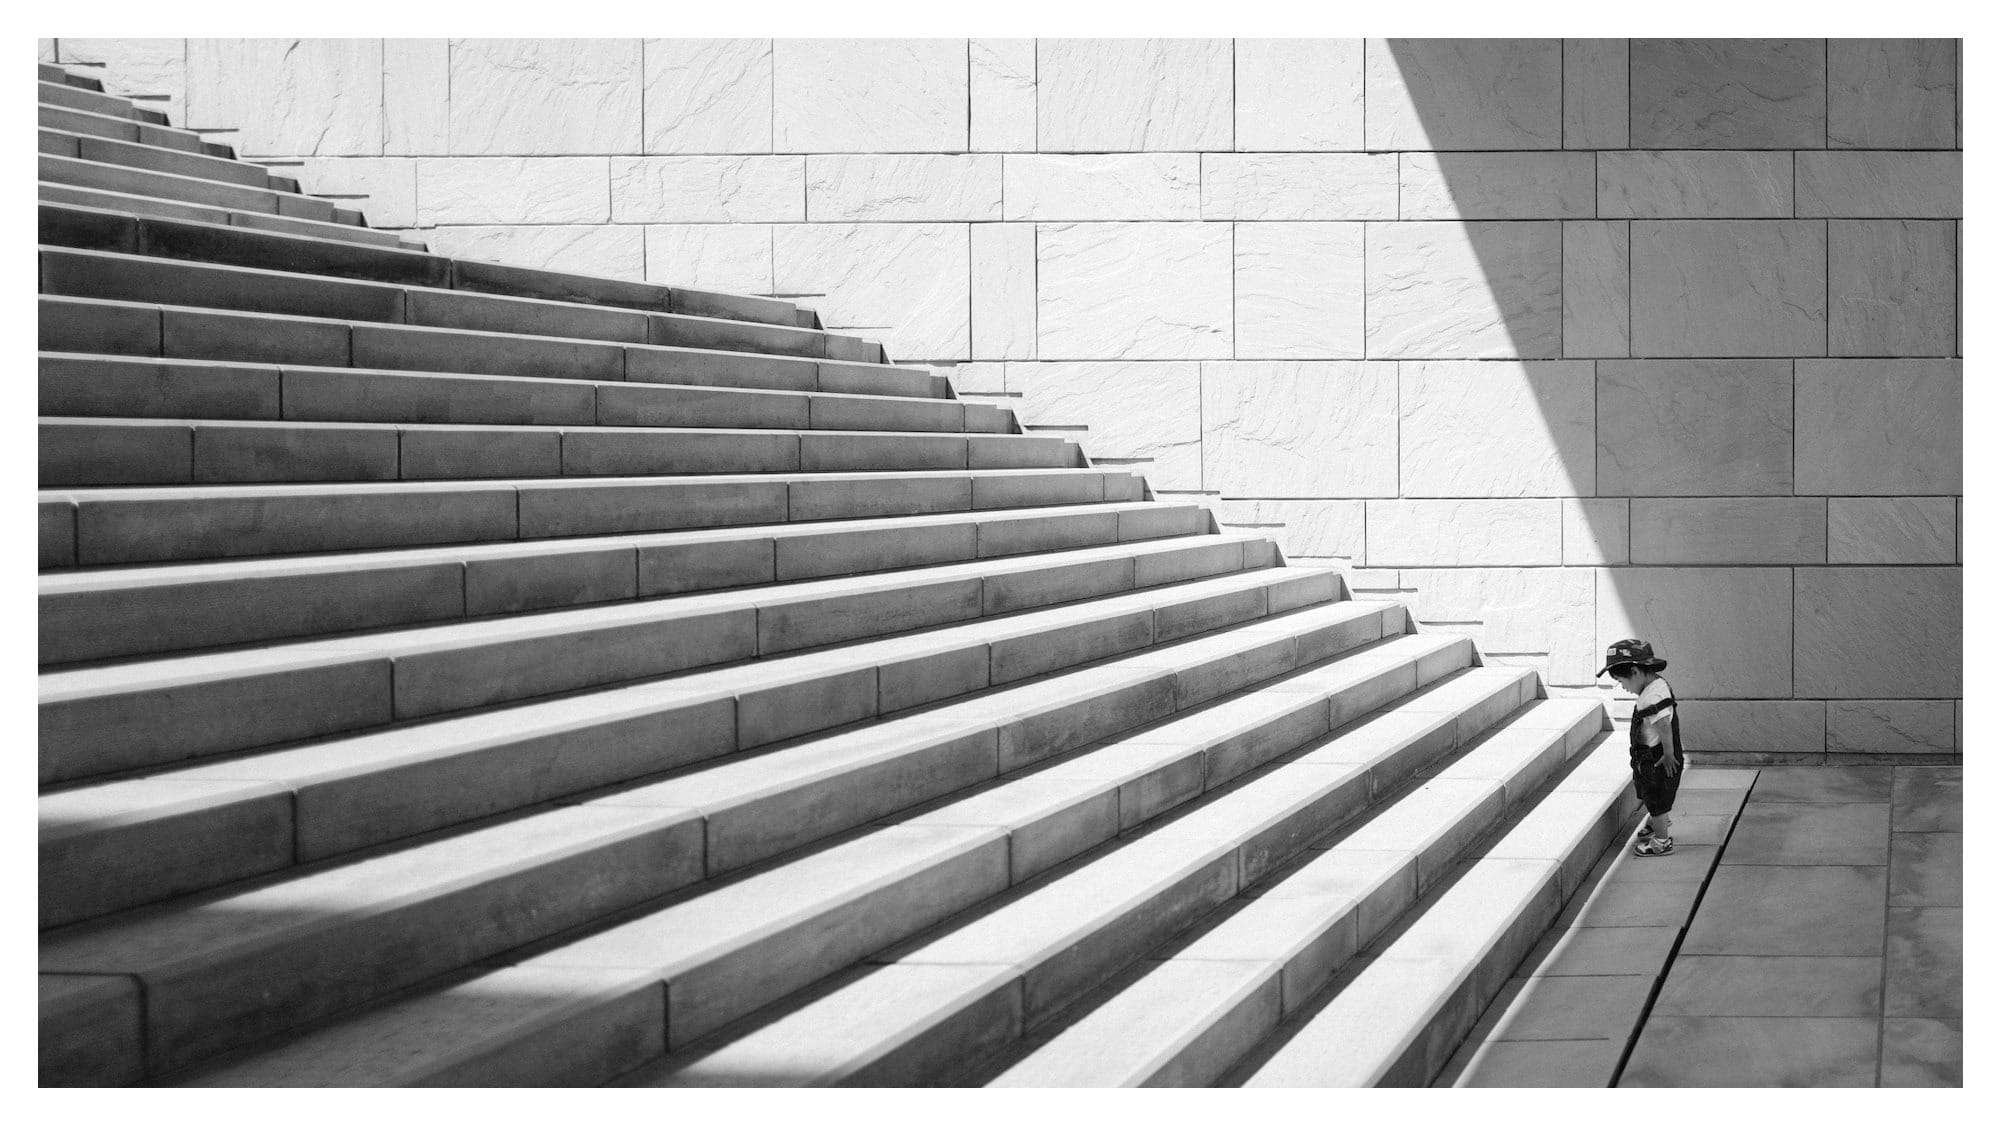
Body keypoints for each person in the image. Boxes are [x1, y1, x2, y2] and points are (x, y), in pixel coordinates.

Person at [1597, 638, 1684, 857]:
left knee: (1656, 797)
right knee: (1651, 793)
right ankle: (1658, 822)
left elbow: (1664, 725)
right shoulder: (1656, 685)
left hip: (1657, 758)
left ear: (1635, 672)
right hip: (1650, 756)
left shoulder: (1651, 697)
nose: (1623, 687)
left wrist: (1668, 754)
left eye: (1621, 681)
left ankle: (1662, 841)